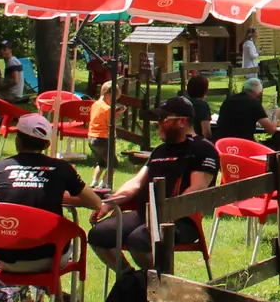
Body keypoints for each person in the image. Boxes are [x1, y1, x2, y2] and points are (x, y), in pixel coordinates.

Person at [88, 97, 216, 274]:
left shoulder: (202, 149)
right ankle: (131, 279)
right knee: (98, 235)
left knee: (139, 240)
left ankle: (161, 284)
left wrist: (168, 213)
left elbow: (196, 189)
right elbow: (136, 182)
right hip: (145, 213)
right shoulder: (159, 151)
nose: (158, 123)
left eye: (163, 118)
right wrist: (110, 202)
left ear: (182, 121)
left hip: (181, 220)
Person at [0, 113, 102, 273]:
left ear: (17, 140)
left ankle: (38, 296)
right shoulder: (62, 168)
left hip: (5, 259)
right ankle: (55, 296)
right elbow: (95, 202)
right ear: (47, 145)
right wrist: (53, 195)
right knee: (60, 239)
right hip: (52, 259)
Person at [211, 78, 272, 144]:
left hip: (222, 142)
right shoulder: (254, 103)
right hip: (242, 143)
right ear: (258, 92)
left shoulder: (228, 101)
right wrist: (276, 115)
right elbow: (271, 129)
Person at [88, 82, 118, 188]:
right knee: (113, 165)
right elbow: (110, 124)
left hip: (92, 137)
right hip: (103, 138)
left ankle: (94, 182)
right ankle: (103, 184)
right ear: (108, 94)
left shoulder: (95, 104)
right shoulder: (107, 108)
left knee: (101, 163)